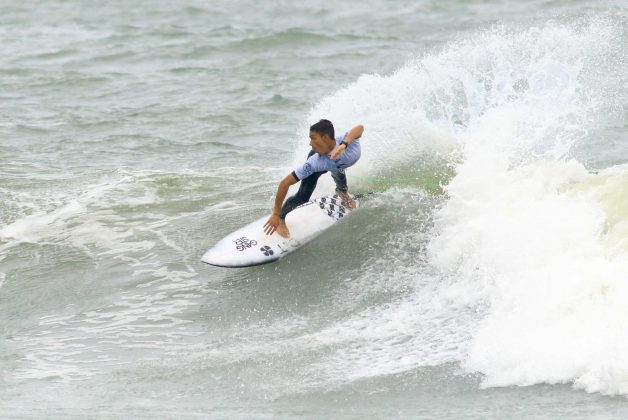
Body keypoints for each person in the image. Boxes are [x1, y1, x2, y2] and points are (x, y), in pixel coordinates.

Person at [264, 119, 364, 238]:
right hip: (323, 163)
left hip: (336, 164)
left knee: (338, 171)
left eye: (313, 138)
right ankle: (281, 217)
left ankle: (342, 192)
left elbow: (360, 128)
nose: (310, 143)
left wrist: (344, 144)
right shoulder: (314, 162)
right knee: (303, 196)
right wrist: (275, 212)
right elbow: (285, 183)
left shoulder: (348, 143)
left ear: (325, 137)